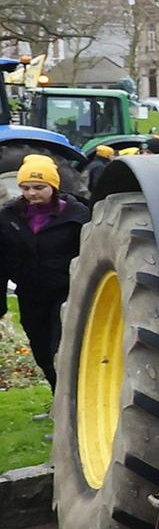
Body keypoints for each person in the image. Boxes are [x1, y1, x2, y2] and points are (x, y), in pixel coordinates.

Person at [1, 154, 89, 389]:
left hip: (66, 292)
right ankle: (58, 403)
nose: (31, 194)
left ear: (53, 186)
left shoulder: (77, 216)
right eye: (26, 188)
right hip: (30, 293)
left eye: (39, 187)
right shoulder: (9, 218)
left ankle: (72, 403)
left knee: (60, 349)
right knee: (42, 352)